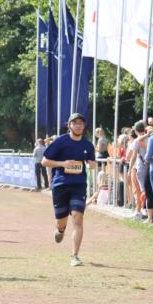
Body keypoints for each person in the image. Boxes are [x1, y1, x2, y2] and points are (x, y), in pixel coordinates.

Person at [41, 112, 96, 267]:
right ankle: (60, 229)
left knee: (78, 218)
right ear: (69, 125)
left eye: (81, 123)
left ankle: (75, 255)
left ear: (84, 126)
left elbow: (92, 162)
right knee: (61, 221)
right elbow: (44, 161)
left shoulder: (87, 144)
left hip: (79, 185)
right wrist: (62, 164)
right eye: (75, 123)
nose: (78, 125)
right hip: (60, 184)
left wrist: (92, 164)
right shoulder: (60, 142)